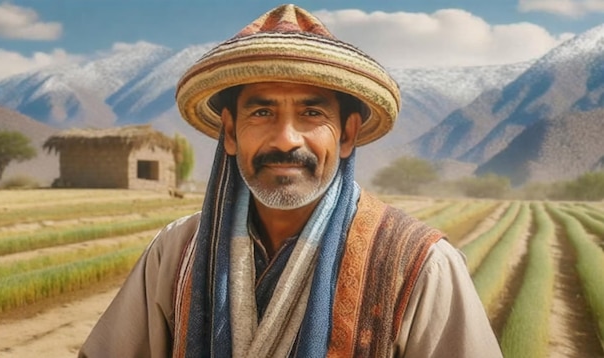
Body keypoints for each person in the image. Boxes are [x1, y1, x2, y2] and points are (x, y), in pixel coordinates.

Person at [79, 4, 503, 358]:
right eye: (261, 113)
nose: (285, 138)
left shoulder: (421, 264)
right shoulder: (177, 251)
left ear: (348, 134)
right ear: (229, 132)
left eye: (312, 114)